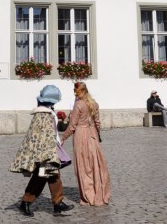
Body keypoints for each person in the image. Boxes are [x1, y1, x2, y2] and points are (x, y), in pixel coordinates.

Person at [10, 84, 74, 218]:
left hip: (47, 151)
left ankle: (57, 204)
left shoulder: (43, 113)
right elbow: (46, 136)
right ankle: (26, 202)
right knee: (42, 177)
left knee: (53, 176)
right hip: (46, 153)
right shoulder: (45, 115)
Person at [61, 81, 111, 206]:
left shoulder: (78, 105)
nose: (74, 94)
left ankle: (89, 195)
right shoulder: (94, 103)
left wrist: (63, 138)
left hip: (80, 135)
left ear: (79, 91)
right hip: (92, 134)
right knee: (95, 164)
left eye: (75, 91)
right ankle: (99, 192)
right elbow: (97, 123)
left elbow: (72, 126)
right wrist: (96, 134)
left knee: (83, 165)